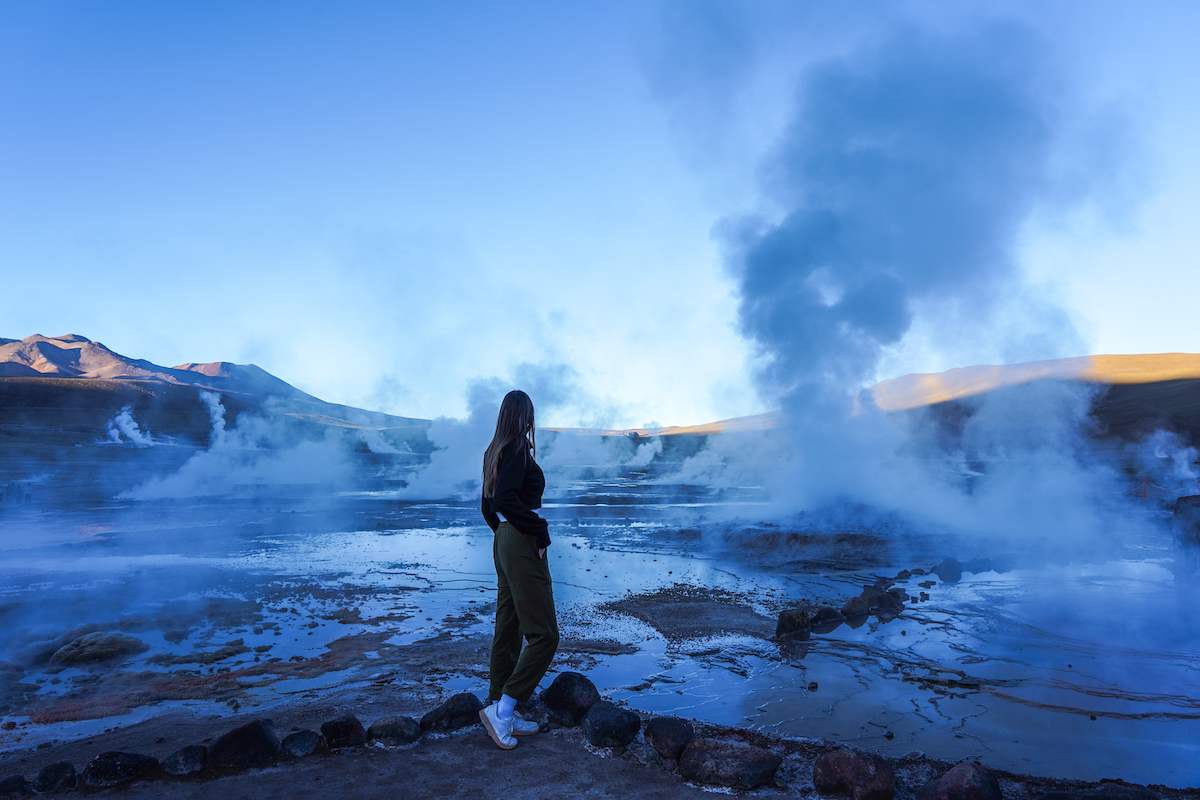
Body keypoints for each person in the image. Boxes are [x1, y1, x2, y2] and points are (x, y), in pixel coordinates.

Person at [478, 390, 559, 750]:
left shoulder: (494, 449)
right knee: (544, 635)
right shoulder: (517, 449)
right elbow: (505, 500)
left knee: (508, 626)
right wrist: (536, 531)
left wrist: (503, 535)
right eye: (530, 415)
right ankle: (505, 710)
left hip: (504, 538)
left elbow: (487, 506)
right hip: (520, 539)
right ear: (525, 416)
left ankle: (497, 706)